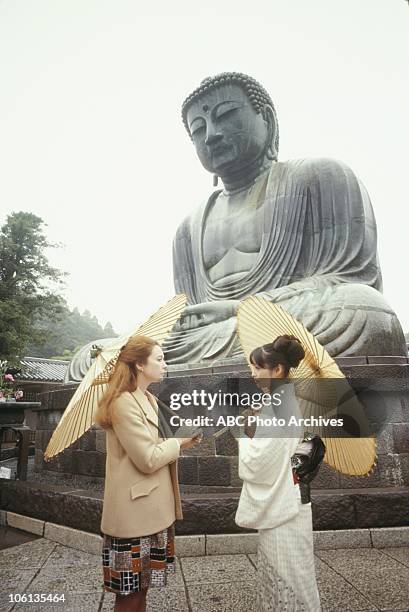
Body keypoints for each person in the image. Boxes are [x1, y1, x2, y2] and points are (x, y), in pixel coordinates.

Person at [95, 335, 201, 612]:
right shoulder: (122, 402)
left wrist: (183, 439)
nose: (165, 364)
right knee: (129, 596)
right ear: (140, 365)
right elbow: (147, 459)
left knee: (142, 590)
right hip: (134, 516)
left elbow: (155, 444)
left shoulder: (148, 399)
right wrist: (176, 443)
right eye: (159, 358)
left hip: (152, 511)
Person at [235, 335, 321, 611]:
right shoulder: (282, 400)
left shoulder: (277, 405)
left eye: (257, 369)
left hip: (283, 504)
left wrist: (244, 435)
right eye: (252, 369)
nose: (253, 374)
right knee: (296, 570)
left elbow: (261, 462)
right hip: (290, 495)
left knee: (288, 573)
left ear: (278, 370)